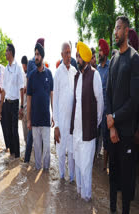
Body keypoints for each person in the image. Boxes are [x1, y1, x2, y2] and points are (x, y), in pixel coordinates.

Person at [106, 16, 139, 214]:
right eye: (115, 28)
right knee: (112, 177)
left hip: (126, 133)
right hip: (112, 132)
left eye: (118, 28)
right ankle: (111, 210)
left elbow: (135, 101)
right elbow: (108, 94)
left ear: (126, 31)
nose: (115, 32)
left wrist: (115, 119)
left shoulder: (135, 59)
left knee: (127, 181)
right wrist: (110, 125)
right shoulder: (114, 58)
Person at [70, 41, 103, 202]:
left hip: (88, 132)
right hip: (76, 131)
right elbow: (75, 103)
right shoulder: (77, 76)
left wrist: (94, 125)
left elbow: (100, 103)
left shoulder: (94, 75)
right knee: (77, 165)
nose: (77, 59)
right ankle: (79, 196)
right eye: (76, 56)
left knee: (86, 167)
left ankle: (87, 199)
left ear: (84, 57)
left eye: (78, 56)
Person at [27, 42, 53, 170]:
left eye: (38, 54)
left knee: (47, 149)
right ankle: (38, 171)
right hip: (35, 120)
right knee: (37, 150)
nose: (36, 57)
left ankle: (46, 174)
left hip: (46, 119)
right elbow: (29, 98)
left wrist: (54, 115)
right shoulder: (31, 76)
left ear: (42, 57)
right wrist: (28, 119)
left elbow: (52, 96)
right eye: (35, 54)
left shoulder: (49, 74)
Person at [53, 42, 77, 182]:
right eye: (66, 53)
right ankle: (61, 178)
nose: (68, 55)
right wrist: (56, 124)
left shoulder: (74, 71)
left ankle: (72, 179)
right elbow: (54, 100)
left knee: (73, 153)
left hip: (73, 122)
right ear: (61, 55)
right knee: (61, 153)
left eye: (70, 52)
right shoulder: (58, 74)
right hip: (61, 121)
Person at [0, 43, 24, 159]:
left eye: (7, 51)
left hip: (15, 103)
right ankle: (12, 154)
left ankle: (17, 156)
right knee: (8, 129)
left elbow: (21, 88)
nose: (5, 53)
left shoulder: (18, 68)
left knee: (15, 130)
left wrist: (22, 107)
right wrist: (0, 107)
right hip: (7, 104)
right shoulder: (6, 69)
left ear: (11, 52)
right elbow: (3, 89)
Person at [96, 39, 110, 171]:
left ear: (105, 52)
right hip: (97, 111)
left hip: (107, 111)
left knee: (106, 140)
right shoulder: (97, 69)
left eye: (100, 50)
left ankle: (104, 167)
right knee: (95, 138)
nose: (98, 53)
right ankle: (94, 162)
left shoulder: (111, 67)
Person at [21, 56, 34, 163]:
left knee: (28, 136)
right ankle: (29, 157)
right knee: (28, 135)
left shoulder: (28, 77)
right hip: (26, 107)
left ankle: (27, 159)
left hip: (27, 109)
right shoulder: (25, 76)